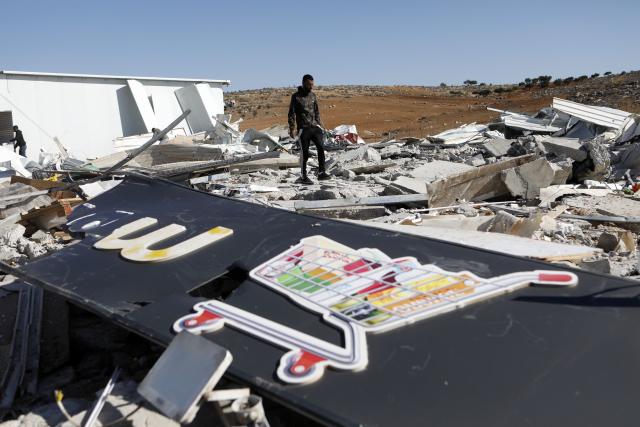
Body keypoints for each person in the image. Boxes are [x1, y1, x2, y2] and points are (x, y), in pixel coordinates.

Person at [288, 74, 330, 184]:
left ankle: (321, 173)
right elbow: (291, 113)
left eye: (312, 84)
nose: (311, 87)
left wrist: (320, 124)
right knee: (305, 153)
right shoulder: (296, 97)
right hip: (303, 129)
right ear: (303, 83)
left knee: (321, 148)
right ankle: (303, 176)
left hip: (315, 127)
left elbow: (316, 111)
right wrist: (292, 128)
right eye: (309, 85)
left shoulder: (313, 96)